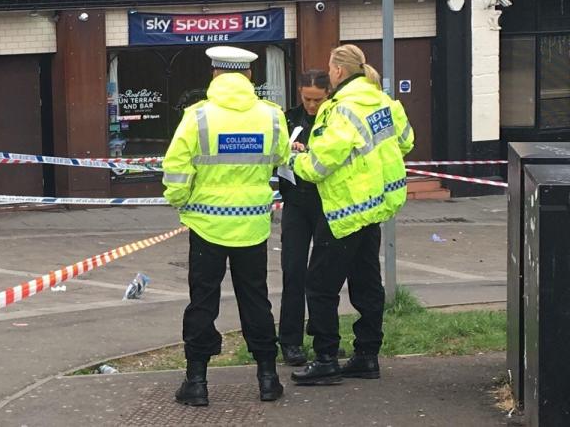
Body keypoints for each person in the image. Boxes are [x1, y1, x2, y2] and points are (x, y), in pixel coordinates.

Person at [163, 46, 290, 405]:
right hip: (252, 225)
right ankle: (268, 379)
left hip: (206, 226)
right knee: (256, 300)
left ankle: (197, 383)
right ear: (249, 76)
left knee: (203, 302)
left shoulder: (197, 116)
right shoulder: (271, 115)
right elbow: (282, 157)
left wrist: (180, 200)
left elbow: (176, 168)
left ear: (215, 75)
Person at [288, 44, 414, 386]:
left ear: (339, 72)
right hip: (375, 205)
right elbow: (405, 142)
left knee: (320, 286)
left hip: (345, 209)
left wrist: (291, 159)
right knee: (367, 284)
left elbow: (318, 165)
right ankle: (366, 356)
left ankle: (326, 358)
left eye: (330, 69)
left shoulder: (341, 109)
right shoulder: (384, 102)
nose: (329, 74)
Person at [277, 70, 331, 367]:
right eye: (307, 99)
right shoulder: (289, 118)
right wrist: (288, 149)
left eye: (318, 100)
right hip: (296, 202)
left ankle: (325, 339)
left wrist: (311, 152)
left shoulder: (334, 118)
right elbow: (274, 153)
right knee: (293, 270)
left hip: (326, 201)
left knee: (323, 276)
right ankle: (290, 341)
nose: (312, 106)